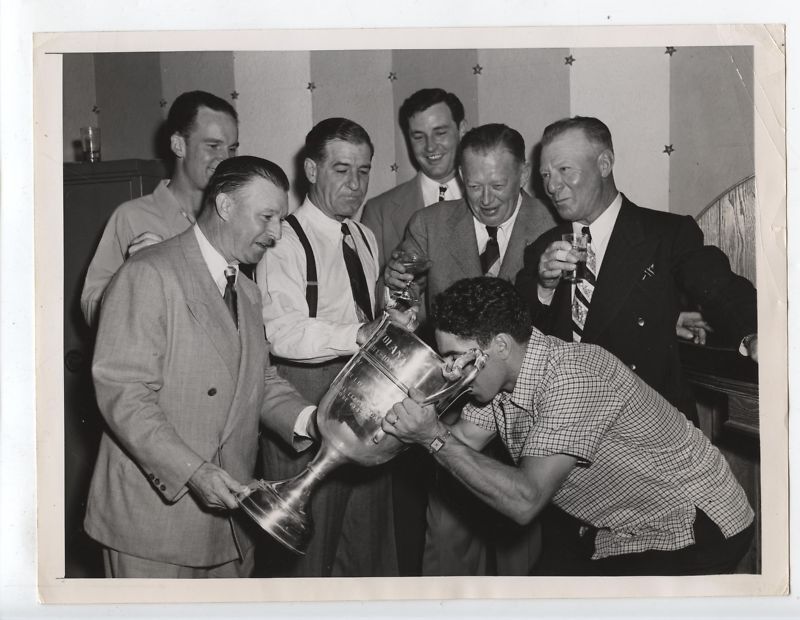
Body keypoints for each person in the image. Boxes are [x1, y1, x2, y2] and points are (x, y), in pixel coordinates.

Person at [383, 277, 755, 576]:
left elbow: (524, 500)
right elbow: (462, 440)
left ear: (499, 345)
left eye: (453, 358)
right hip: (620, 527)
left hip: (694, 526)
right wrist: (388, 427)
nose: (450, 371)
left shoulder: (573, 378)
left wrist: (431, 436)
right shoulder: (494, 379)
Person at [84, 156, 317, 578]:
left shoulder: (246, 290)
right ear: (225, 206)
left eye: (280, 219)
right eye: (266, 217)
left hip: (229, 525)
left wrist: (312, 421)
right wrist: (193, 472)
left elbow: (257, 380)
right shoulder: (150, 272)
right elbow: (124, 393)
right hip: (154, 523)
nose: (277, 233)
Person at [383, 123, 558, 576]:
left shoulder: (555, 227)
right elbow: (406, 308)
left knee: (523, 550)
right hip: (456, 408)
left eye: (498, 184)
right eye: (473, 184)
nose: (485, 198)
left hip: (531, 413)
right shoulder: (428, 225)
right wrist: (394, 291)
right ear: (459, 175)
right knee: (446, 537)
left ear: (522, 173)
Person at [516, 116, 758, 423]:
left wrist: (754, 334)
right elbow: (519, 334)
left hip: (647, 424)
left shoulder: (667, 233)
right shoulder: (542, 248)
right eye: (545, 175)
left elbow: (719, 287)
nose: (552, 186)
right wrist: (544, 287)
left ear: (604, 164)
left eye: (564, 170)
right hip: (565, 423)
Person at [255, 117, 413, 577]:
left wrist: (392, 320)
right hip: (303, 401)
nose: (355, 184)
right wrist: (357, 335)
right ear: (311, 169)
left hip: (364, 398)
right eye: (341, 169)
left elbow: (359, 313)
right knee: (309, 550)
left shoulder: (362, 237)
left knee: (366, 545)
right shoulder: (282, 238)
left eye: (363, 171)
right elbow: (278, 332)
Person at [80, 90, 239, 327]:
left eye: (232, 148)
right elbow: (91, 308)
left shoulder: (234, 217)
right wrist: (133, 277)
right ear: (178, 145)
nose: (226, 159)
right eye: (213, 145)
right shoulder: (132, 217)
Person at [362, 88, 467, 274]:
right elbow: (371, 291)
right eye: (418, 137)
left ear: (462, 130)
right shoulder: (379, 211)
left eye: (440, 133)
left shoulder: (491, 198)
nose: (430, 146)